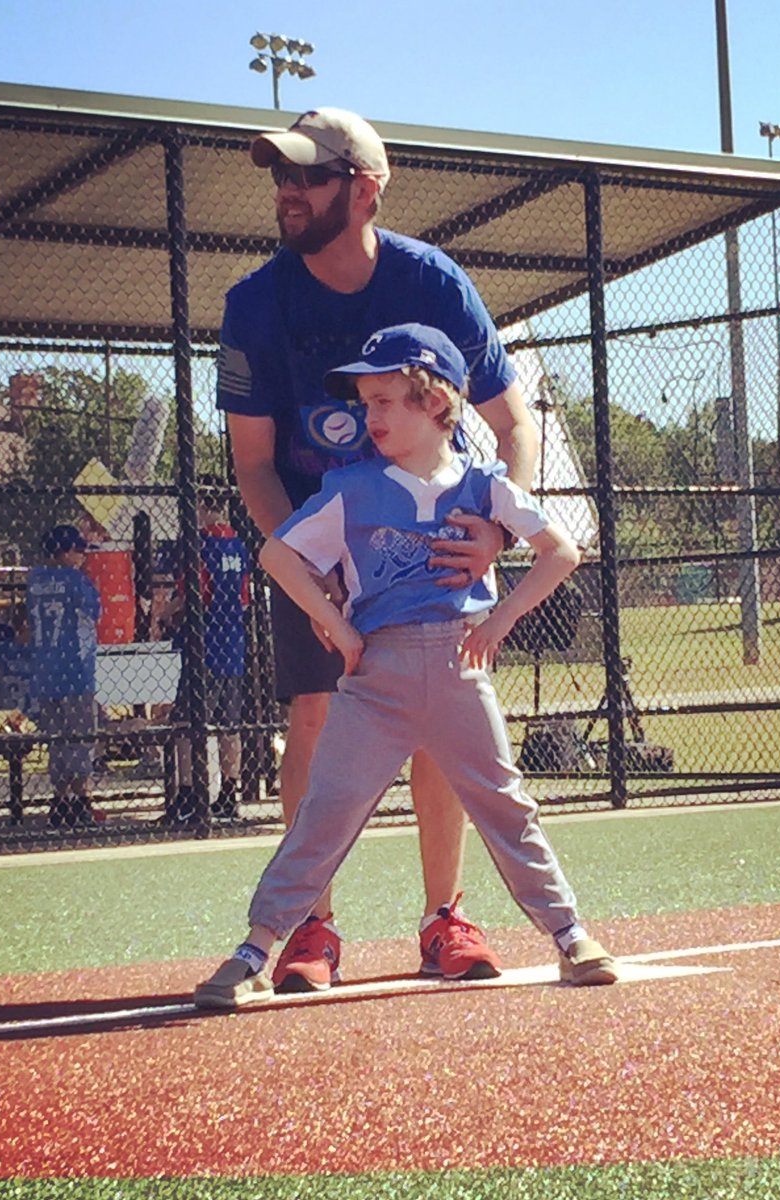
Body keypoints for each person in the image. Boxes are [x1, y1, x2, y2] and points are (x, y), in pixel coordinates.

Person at [195, 324, 617, 1009]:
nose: (372, 417)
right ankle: (255, 949)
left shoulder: (483, 486)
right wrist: (334, 625)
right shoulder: (351, 486)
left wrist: (502, 619)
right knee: (326, 813)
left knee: (506, 806)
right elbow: (279, 555)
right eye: (367, 402)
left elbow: (560, 552)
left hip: (458, 668)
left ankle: (571, 935)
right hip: (377, 678)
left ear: (437, 404)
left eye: (388, 400)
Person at [217, 106, 540, 991]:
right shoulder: (254, 304)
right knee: (315, 720)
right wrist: (314, 568)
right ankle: (310, 928)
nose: (287, 191)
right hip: (318, 540)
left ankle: (445, 919)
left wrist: (496, 531)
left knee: (435, 725)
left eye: (306, 176)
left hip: (432, 544)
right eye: (280, 177)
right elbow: (253, 462)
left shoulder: (433, 283)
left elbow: (515, 424)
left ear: (362, 190)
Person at [167, 479, 253, 823]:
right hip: (233, 642)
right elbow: (244, 598)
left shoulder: (200, 546)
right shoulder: (239, 546)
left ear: (202, 504)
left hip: (204, 645)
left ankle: (188, 793)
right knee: (229, 725)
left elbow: (194, 595)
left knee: (189, 724)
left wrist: (165, 612)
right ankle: (229, 793)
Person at [27, 523, 102, 829]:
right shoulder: (76, 580)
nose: (83, 557)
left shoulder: (34, 579)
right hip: (75, 670)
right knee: (81, 739)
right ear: (67, 552)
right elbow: (95, 613)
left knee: (58, 742)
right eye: (79, 551)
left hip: (45, 671)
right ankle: (82, 800)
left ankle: (59, 800)